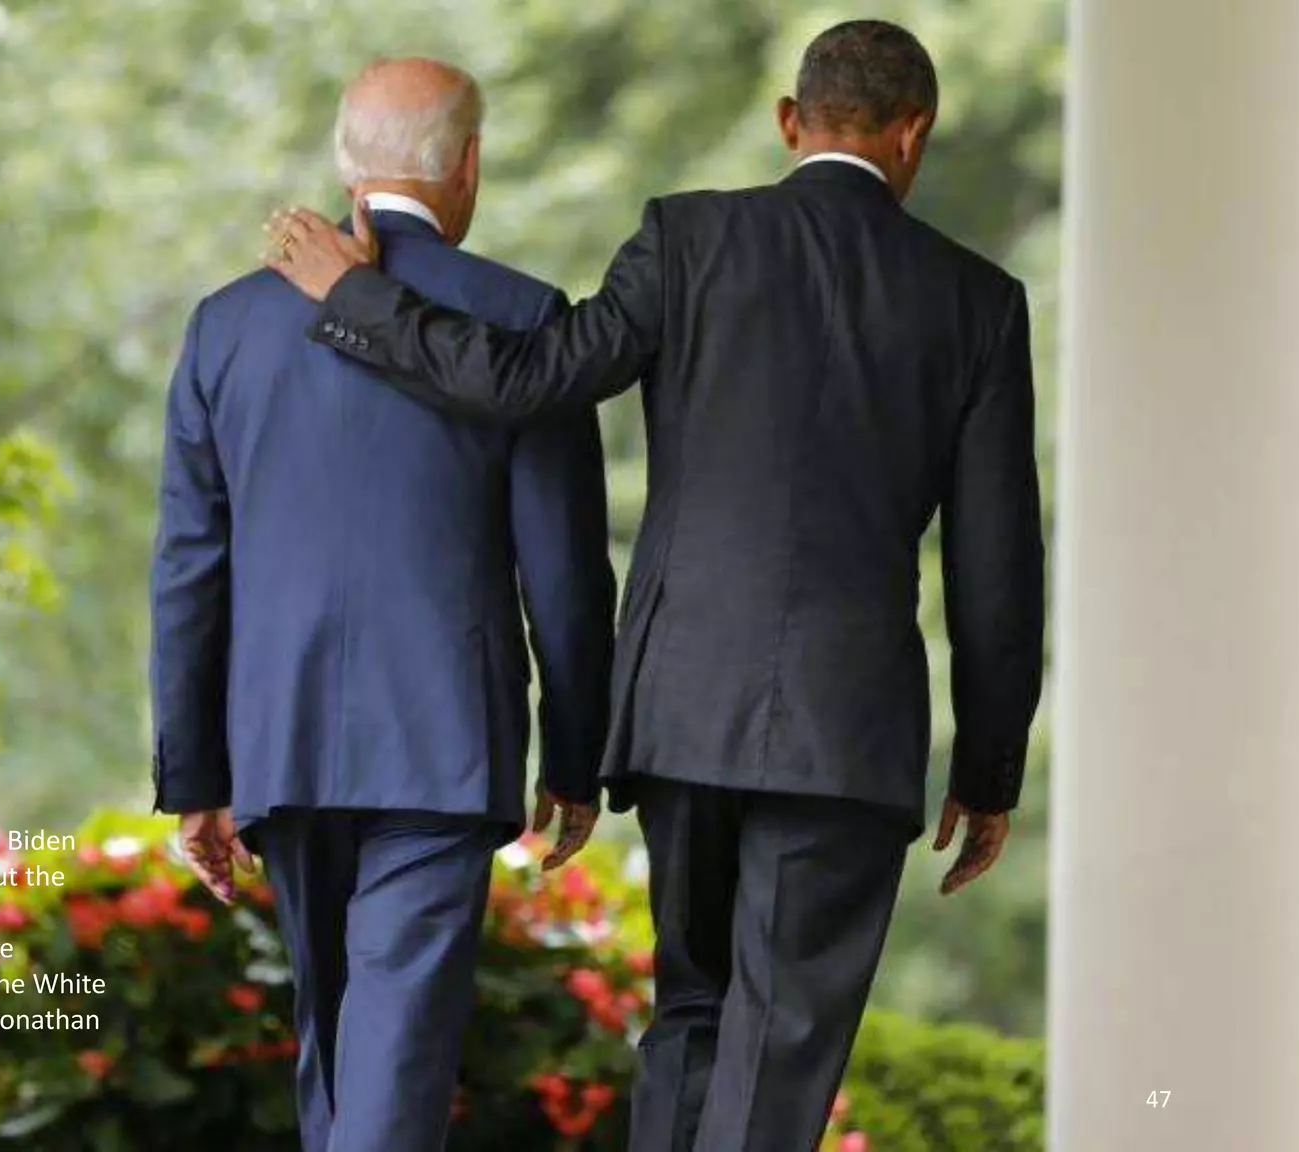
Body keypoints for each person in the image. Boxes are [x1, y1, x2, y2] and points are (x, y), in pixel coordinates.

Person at [264, 21, 1044, 1152]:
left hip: (679, 709)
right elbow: (994, 561)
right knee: (776, 1041)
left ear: (789, 122)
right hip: (842, 732)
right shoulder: (977, 302)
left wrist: (360, 299)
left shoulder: (687, 238)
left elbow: (529, 379)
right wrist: (986, 767)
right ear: (913, 134)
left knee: (688, 1014)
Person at [148, 57, 616, 1151]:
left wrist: (195, 776)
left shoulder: (225, 327)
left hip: (280, 738)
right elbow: (564, 573)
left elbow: (186, 566)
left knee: (337, 1053)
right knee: (391, 1054)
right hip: (440, 741)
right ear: (466, 165)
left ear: (345, 165)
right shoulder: (524, 319)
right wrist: (574, 753)